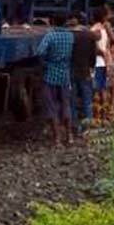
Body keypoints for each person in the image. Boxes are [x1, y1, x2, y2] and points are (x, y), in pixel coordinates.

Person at [35, 17, 74, 145]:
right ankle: (69, 136)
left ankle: (57, 139)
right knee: (66, 105)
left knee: (51, 106)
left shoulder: (50, 36)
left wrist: (45, 63)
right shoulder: (70, 36)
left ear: (52, 22)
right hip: (65, 75)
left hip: (50, 75)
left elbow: (39, 52)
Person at [69, 17, 97, 136]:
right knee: (87, 98)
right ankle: (88, 124)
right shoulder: (89, 36)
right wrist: (92, 67)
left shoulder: (70, 36)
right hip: (85, 71)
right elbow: (93, 55)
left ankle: (74, 125)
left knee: (72, 99)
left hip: (72, 71)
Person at [91, 6, 113, 123]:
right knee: (103, 89)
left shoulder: (95, 30)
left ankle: (97, 117)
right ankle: (104, 116)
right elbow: (107, 46)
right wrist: (108, 60)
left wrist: (101, 53)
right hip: (103, 63)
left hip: (97, 63)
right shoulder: (104, 30)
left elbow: (95, 49)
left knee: (96, 91)